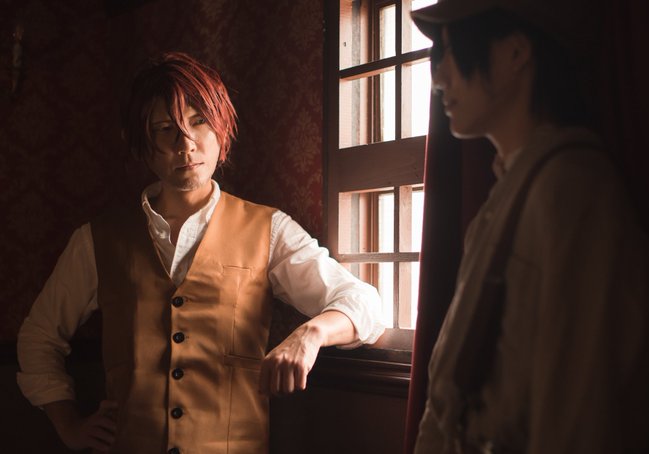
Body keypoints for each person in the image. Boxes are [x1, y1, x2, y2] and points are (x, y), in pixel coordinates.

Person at [16, 52, 385, 454]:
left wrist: (311, 335)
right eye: (165, 129)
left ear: (221, 129)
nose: (186, 144)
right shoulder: (96, 240)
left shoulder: (269, 229)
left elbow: (365, 304)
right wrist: (69, 427)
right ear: (142, 145)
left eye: (199, 121)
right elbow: (38, 337)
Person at [410, 1, 649, 453]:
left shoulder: (572, 193)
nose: (439, 78)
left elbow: (580, 417)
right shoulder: (510, 194)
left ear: (515, 52)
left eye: (455, 51)